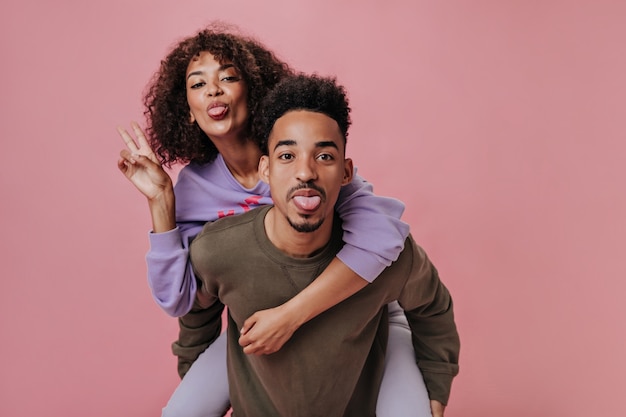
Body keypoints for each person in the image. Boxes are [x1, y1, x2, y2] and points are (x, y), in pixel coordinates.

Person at [117, 24, 423, 416]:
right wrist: (161, 200)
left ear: (254, 91)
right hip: (256, 329)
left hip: (363, 315)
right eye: (198, 84)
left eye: (228, 77)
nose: (213, 90)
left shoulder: (297, 156)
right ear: (187, 112)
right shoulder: (194, 188)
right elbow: (180, 298)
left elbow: (382, 237)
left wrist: (292, 314)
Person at [185, 73, 460, 417]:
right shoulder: (218, 250)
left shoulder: (389, 252)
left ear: (347, 173)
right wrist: (193, 382)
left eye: (325, 157)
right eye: (287, 156)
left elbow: (432, 308)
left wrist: (436, 387)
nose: (306, 172)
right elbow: (196, 316)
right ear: (265, 169)